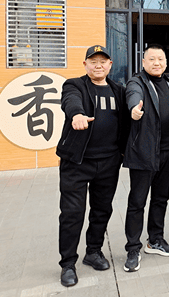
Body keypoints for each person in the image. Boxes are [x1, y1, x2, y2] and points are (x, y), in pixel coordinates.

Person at [56, 45, 128, 287]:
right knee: (72, 213)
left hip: (109, 162)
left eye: (103, 61)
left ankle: (93, 251)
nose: (98, 65)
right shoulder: (74, 85)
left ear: (110, 65)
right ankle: (68, 263)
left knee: (102, 210)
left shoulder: (119, 90)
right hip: (77, 162)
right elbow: (70, 102)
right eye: (93, 61)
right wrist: (76, 114)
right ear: (85, 64)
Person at [123, 44, 169, 272]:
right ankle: (133, 248)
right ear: (143, 62)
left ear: (166, 63)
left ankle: (155, 240)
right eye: (152, 59)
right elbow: (133, 97)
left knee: (161, 198)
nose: (156, 63)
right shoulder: (136, 82)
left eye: (160, 59)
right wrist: (134, 110)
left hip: (168, 151)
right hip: (144, 152)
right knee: (137, 202)